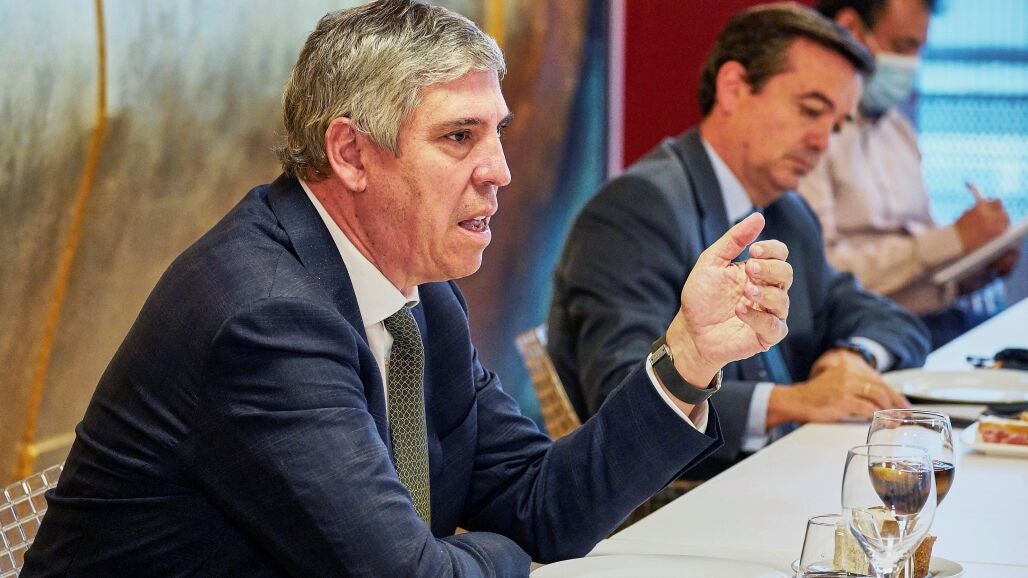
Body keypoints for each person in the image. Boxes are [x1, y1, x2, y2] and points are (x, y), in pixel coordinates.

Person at [22, 1, 796, 575]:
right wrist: (499, 554)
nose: (500, 171)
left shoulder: (420, 295)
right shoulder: (268, 318)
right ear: (351, 154)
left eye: (498, 133)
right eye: (460, 137)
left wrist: (687, 358)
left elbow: (542, 506)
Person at [548, 2, 930, 478]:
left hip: (782, 472)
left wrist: (850, 357)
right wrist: (794, 402)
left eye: (835, 125)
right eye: (810, 110)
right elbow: (622, 392)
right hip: (682, 495)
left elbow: (889, 320)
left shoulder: (787, 212)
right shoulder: (638, 208)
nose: (822, 141)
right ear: (733, 88)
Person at [798, 0, 1018, 349]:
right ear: (851, 29)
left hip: (932, 322)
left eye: (919, 49)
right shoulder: (810, 135)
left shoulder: (898, 130)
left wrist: (972, 270)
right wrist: (953, 240)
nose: (912, 63)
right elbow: (825, 274)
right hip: (858, 335)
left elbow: (924, 259)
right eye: (903, 46)